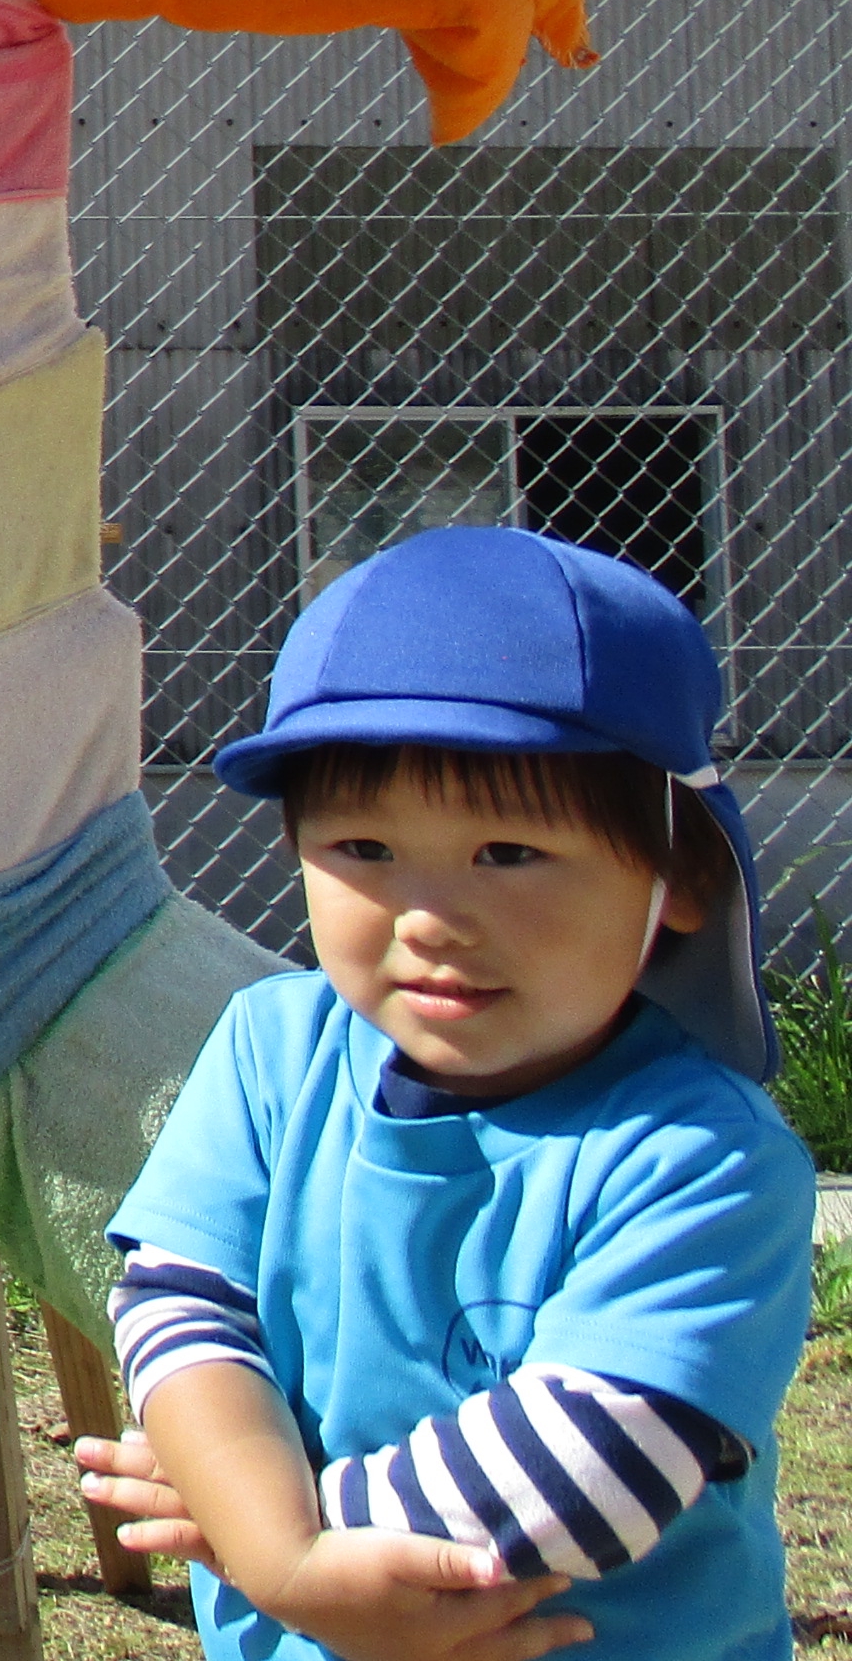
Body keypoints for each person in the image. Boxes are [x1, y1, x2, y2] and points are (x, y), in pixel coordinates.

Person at [89, 526, 813, 1661]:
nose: (428, 916)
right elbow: (180, 1309)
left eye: (509, 853)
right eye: (366, 846)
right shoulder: (271, 1053)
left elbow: (595, 1463)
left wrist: (262, 1527)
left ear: (681, 876)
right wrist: (282, 1557)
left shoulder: (699, 1156)